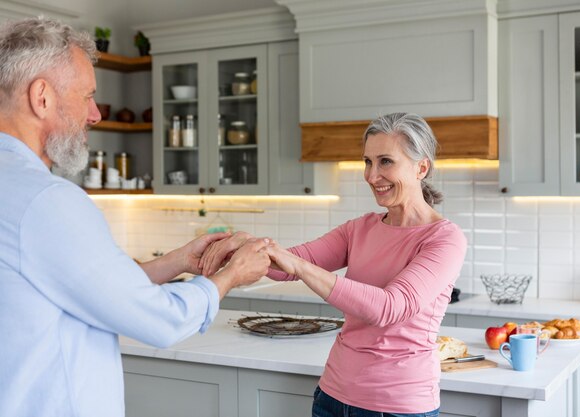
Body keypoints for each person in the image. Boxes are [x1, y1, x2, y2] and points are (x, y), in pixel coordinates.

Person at [0, 16, 270, 417]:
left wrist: (177, 261)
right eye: (86, 95)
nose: (94, 113)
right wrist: (230, 275)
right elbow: (159, 321)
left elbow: (90, 287)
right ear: (42, 97)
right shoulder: (48, 201)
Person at [200, 112, 467, 416]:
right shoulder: (360, 228)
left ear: (421, 167)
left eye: (385, 162)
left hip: (397, 406)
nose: (371, 175)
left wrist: (298, 266)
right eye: (367, 162)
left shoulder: (444, 238)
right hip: (332, 396)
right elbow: (282, 266)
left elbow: (388, 308)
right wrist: (243, 243)